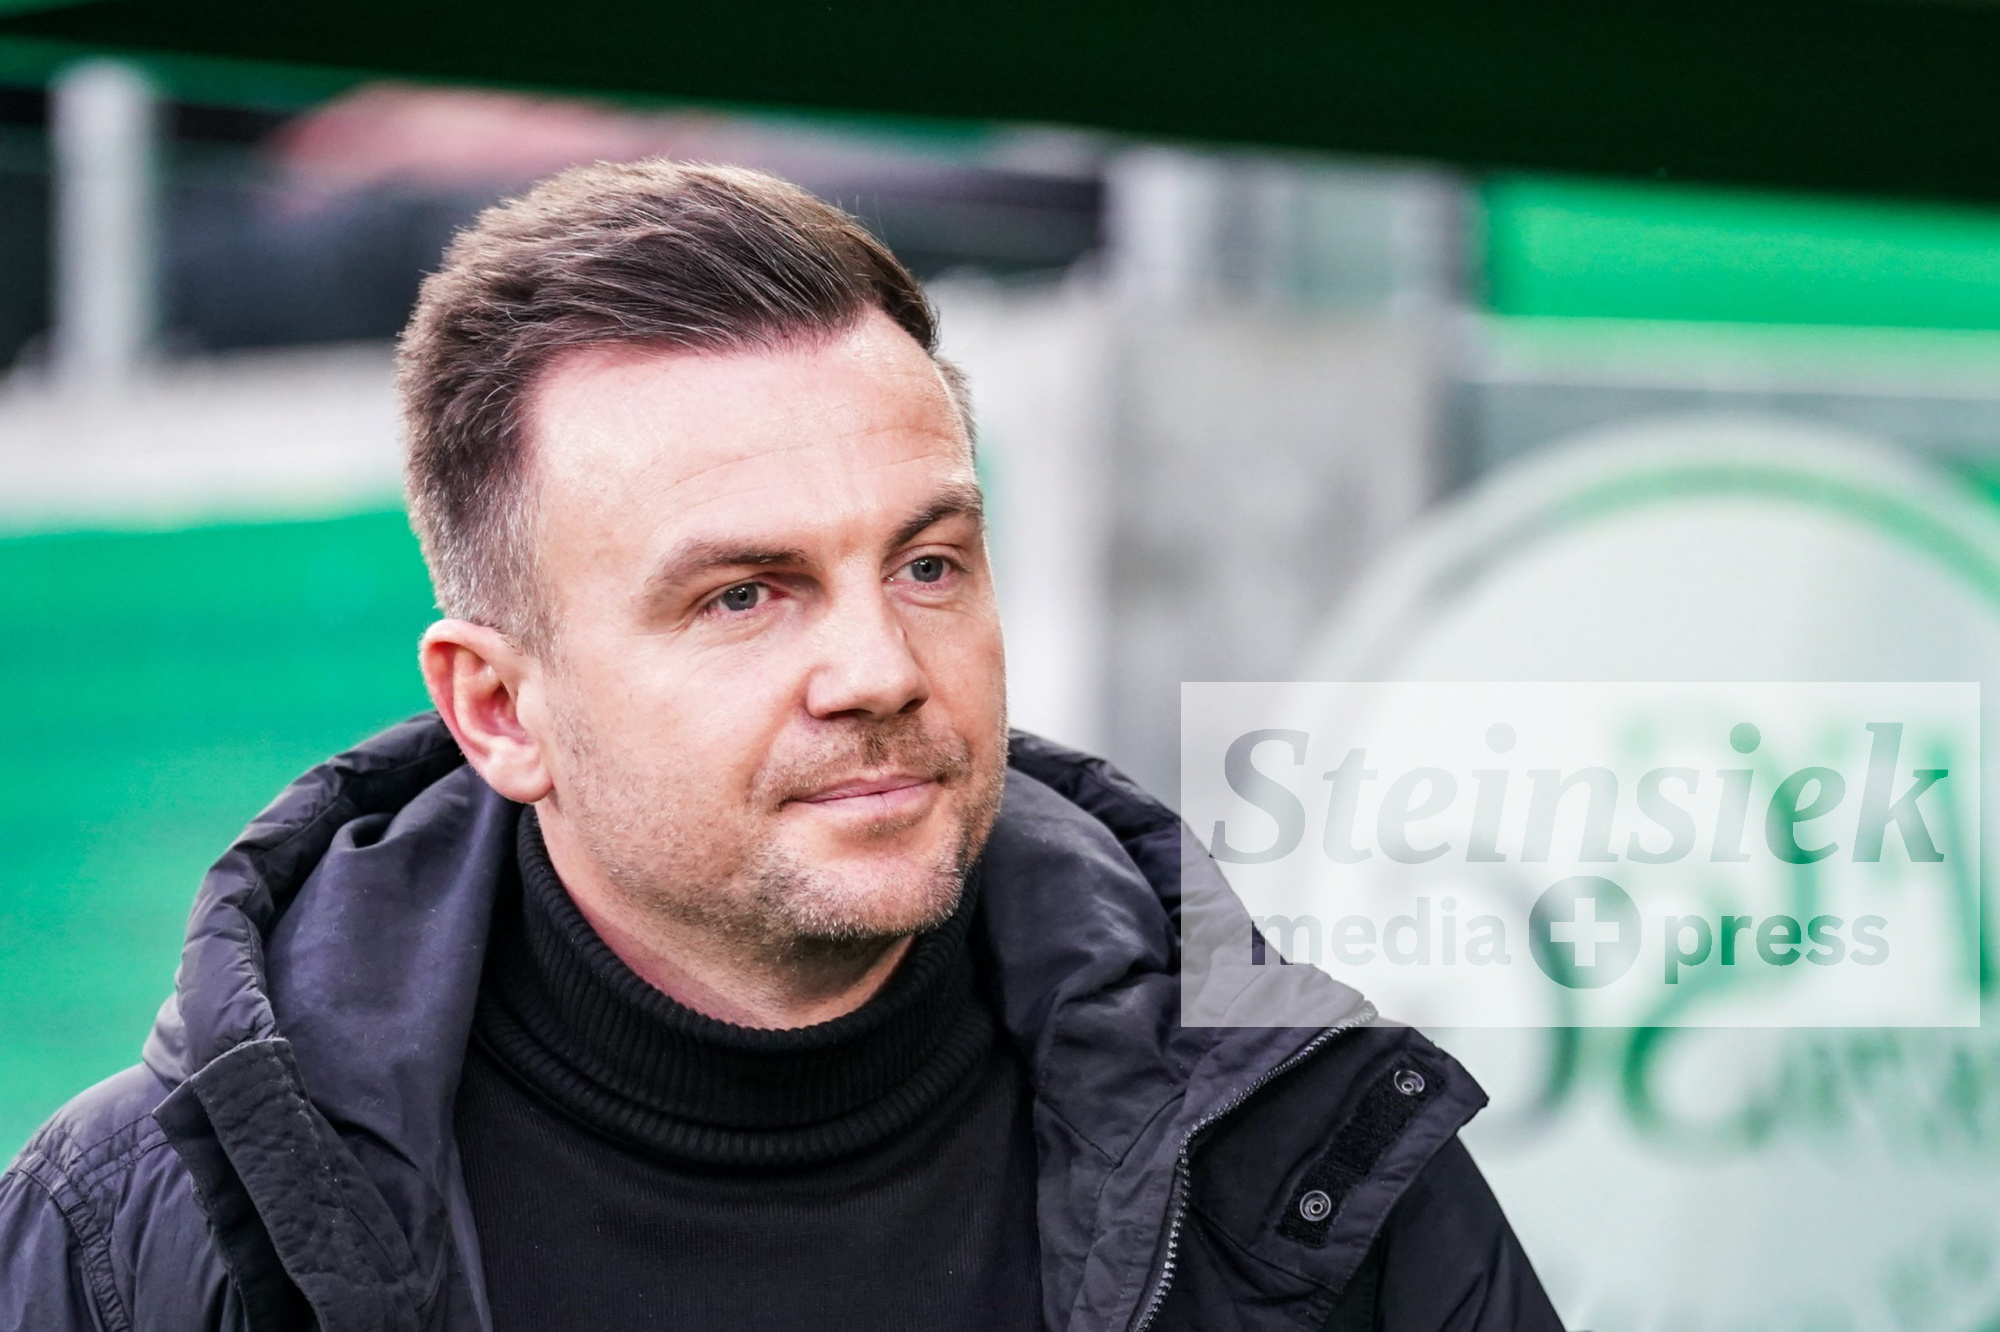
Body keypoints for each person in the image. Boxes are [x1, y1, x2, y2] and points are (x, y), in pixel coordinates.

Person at [0, 160, 1563, 1332]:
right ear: (500, 710)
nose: (880, 669)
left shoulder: (1300, 1156)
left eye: (929, 564)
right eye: (744, 595)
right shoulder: (146, 1235)